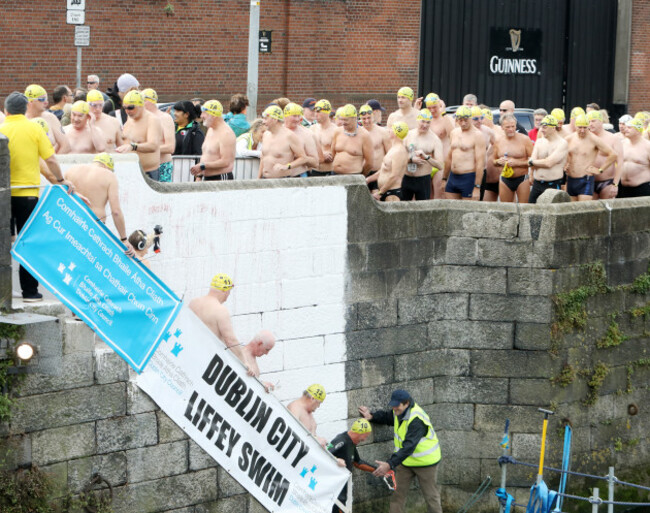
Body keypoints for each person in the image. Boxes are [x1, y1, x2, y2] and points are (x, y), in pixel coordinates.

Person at [1, 92, 76, 301]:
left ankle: (2, 291)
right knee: (29, 243)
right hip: (27, 194)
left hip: (4, 196)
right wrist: (61, 180)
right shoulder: (34, 127)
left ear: (6, 110)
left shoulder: (2, 129)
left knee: (3, 243)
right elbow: (51, 159)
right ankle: (30, 292)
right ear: (25, 109)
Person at [359, 389, 443, 513]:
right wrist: (372, 416)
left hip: (425, 463)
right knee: (397, 495)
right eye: (393, 405)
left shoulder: (416, 419)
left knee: (431, 497)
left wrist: (389, 464)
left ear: (406, 403)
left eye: (397, 405)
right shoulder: (398, 412)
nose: (394, 408)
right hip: (406, 462)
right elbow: (388, 417)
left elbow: (408, 447)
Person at [63, 153, 134, 254]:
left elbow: (60, 192)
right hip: (95, 227)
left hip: (72, 220)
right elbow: (116, 211)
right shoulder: (109, 176)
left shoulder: (71, 170)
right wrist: (124, 239)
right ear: (106, 166)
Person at [189, 273, 253, 369]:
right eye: (229, 292)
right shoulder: (220, 311)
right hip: (208, 360)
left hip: (191, 355)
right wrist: (244, 362)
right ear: (225, 291)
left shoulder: (193, 303)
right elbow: (230, 341)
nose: (227, 298)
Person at [327, 419, 376, 513]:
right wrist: (336, 460)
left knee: (342, 506)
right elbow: (325, 454)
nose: (364, 439)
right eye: (365, 436)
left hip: (343, 486)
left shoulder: (351, 443)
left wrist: (376, 470)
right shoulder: (341, 440)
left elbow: (358, 462)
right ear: (360, 433)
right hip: (334, 486)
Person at [565, 114, 616, 201]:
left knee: (583, 210)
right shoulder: (569, 139)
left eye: (585, 127)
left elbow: (613, 154)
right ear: (575, 126)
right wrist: (564, 164)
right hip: (571, 179)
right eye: (580, 127)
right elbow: (560, 153)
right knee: (571, 211)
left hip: (585, 180)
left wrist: (600, 170)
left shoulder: (593, 139)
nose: (582, 130)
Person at [116, 90, 162, 180]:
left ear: (141, 105)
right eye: (124, 108)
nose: (127, 111)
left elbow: (153, 145)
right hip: (130, 170)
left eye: (131, 107)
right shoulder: (130, 118)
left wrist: (133, 146)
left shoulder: (152, 120)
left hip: (148, 173)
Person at [444, 106, 486, 200]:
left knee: (468, 212)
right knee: (451, 210)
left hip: (468, 177)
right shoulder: (454, 133)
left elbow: (480, 163)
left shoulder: (477, 135)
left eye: (466, 120)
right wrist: (444, 178)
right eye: (460, 120)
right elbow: (450, 157)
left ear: (470, 118)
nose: (463, 123)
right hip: (453, 177)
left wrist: (477, 187)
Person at [190, 100, 236, 181]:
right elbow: (206, 155)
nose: (201, 116)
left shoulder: (226, 134)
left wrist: (202, 166)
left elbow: (226, 162)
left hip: (221, 177)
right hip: (206, 177)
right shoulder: (210, 129)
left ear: (213, 115)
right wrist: (199, 176)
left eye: (204, 113)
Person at [402, 109, 443, 201]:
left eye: (428, 122)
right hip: (406, 178)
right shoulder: (408, 135)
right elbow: (398, 156)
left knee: (423, 211)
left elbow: (440, 165)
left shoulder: (435, 140)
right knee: (403, 208)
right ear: (417, 120)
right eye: (423, 121)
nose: (425, 125)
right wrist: (411, 159)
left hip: (423, 180)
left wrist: (427, 157)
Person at [528, 115, 569, 204]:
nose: (541, 130)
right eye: (541, 127)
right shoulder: (539, 142)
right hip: (537, 184)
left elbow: (549, 163)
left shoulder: (562, 143)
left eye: (545, 128)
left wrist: (533, 162)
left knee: (551, 214)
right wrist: (532, 167)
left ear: (553, 128)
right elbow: (531, 162)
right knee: (531, 213)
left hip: (553, 185)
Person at [258, 105, 308, 179]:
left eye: (266, 119)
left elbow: (303, 158)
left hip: (282, 180)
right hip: (265, 179)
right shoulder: (266, 134)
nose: (263, 122)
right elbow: (263, 158)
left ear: (274, 120)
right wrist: (258, 178)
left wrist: (287, 166)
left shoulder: (289, 136)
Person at [494, 113, 534, 203]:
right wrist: (499, 161)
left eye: (513, 126)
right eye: (508, 127)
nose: (511, 129)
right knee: (507, 210)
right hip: (505, 179)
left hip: (522, 178)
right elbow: (493, 161)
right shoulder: (498, 141)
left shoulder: (525, 140)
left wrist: (518, 163)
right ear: (502, 127)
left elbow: (533, 160)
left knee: (523, 209)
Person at [367, 122, 409, 201]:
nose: (388, 131)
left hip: (392, 194)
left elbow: (394, 176)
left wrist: (380, 193)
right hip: (385, 192)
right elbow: (384, 170)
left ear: (396, 133)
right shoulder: (393, 149)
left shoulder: (399, 151)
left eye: (391, 129)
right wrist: (368, 179)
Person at [24, 84, 70, 154]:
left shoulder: (51, 118)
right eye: (42, 99)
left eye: (46, 99)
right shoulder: (22, 119)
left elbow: (66, 146)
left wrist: (53, 161)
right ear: (30, 102)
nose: (46, 102)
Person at [589, 110, 623, 199]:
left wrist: (615, 184)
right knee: (590, 211)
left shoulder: (613, 138)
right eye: (588, 121)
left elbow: (620, 162)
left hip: (607, 182)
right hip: (589, 181)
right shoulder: (587, 138)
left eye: (593, 121)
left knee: (607, 211)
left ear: (600, 121)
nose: (590, 124)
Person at [142, 88, 175, 182]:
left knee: (163, 196)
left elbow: (170, 147)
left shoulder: (165, 118)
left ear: (149, 101)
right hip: (146, 167)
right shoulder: (143, 119)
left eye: (142, 101)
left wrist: (147, 149)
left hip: (162, 166)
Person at [426, 93, 455, 199]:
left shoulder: (446, 118)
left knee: (439, 195)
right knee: (427, 196)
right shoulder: (426, 120)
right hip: (427, 162)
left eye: (434, 107)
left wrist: (444, 113)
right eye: (429, 108)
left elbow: (454, 135)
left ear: (440, 105)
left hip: (441, 164)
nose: (432, 110)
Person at [331, 104, 373, 175]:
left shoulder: (364, 135)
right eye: (342, 119)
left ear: (354, 118)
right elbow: (333, 153)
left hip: (354, 175)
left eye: (346, 120)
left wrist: (360, 176)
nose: (343, 123)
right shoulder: (337, 132)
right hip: (335, 174)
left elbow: (369, 163)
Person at [283, 102, 320, 177]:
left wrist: (302, 158)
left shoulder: (306, 134)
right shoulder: (277, 131)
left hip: (298, 176)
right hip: (278, 177)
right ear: (285, 116)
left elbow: (315, 162)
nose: (297, 119)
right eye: (294, 116)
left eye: (298, 116)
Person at [618, 118, 650, 198]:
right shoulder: (622, 144)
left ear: (638, 130)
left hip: (642, 188)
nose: (626, 129)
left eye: (629, 127)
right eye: (626, 127)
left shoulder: (647, 146)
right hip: (622, 188)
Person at [359, 104, 390, 186]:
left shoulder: (383, 132)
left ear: (373, 117)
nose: (366, 121)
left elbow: (390, 155)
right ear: (360, 119)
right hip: (362, 173)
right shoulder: (358, 134)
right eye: (364, 119)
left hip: (378, 173)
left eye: (369, 118)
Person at [310, 99, 336, 176]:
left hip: (329, 171)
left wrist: (331, 155)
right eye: (314, 111)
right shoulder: (312, 129)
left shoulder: (336, 130)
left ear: (327, 112)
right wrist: (321, 156)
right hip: (315, 170)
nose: (315, 114)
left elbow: (341, 152)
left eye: (318, 111)